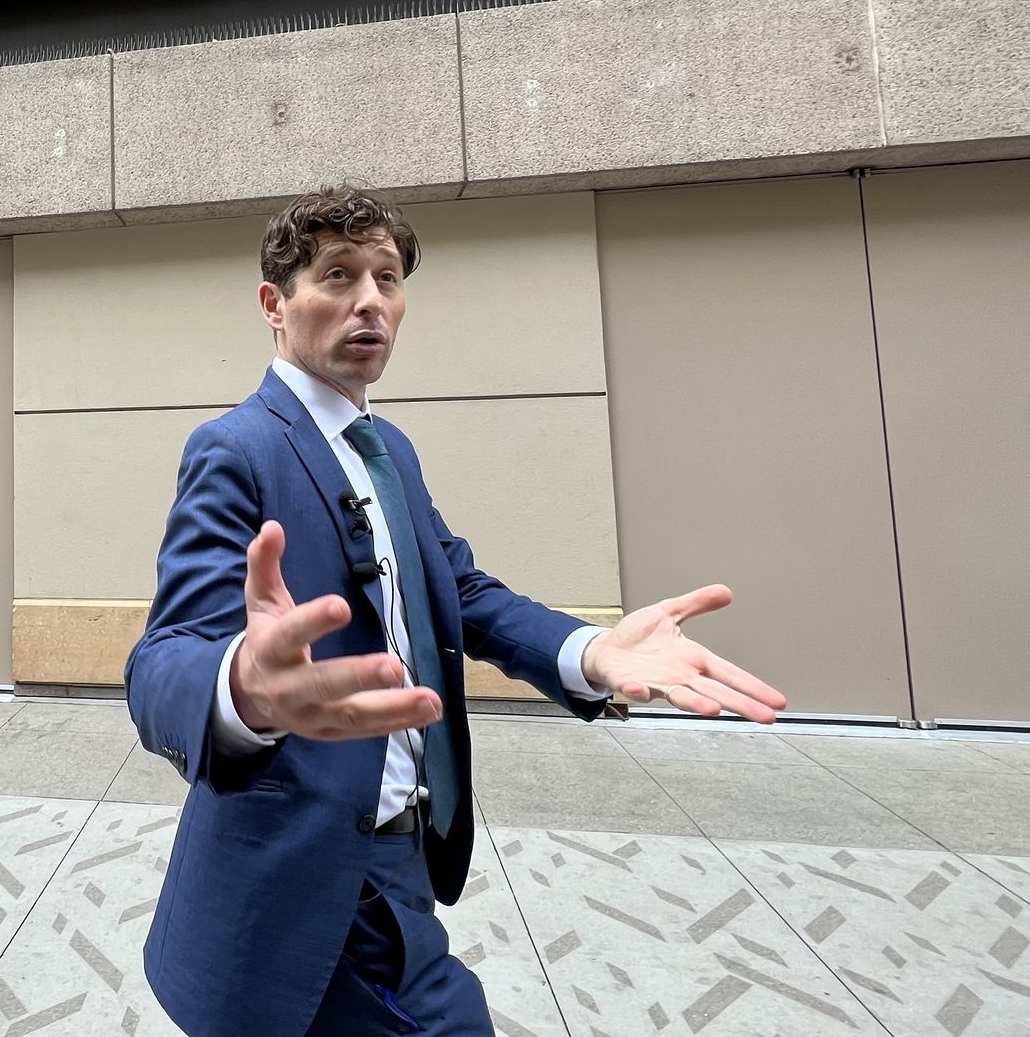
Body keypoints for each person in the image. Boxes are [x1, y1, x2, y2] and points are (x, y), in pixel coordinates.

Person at [124, 184, 788, 1037]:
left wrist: (589, 653)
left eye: (388, 279)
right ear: (274, 305)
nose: (370, 300)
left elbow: (459, 588)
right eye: (337, 275)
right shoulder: (237, 448)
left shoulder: (387, 448)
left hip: (402, 846)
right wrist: (242, 689)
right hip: (310, 870)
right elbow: (162, 657)